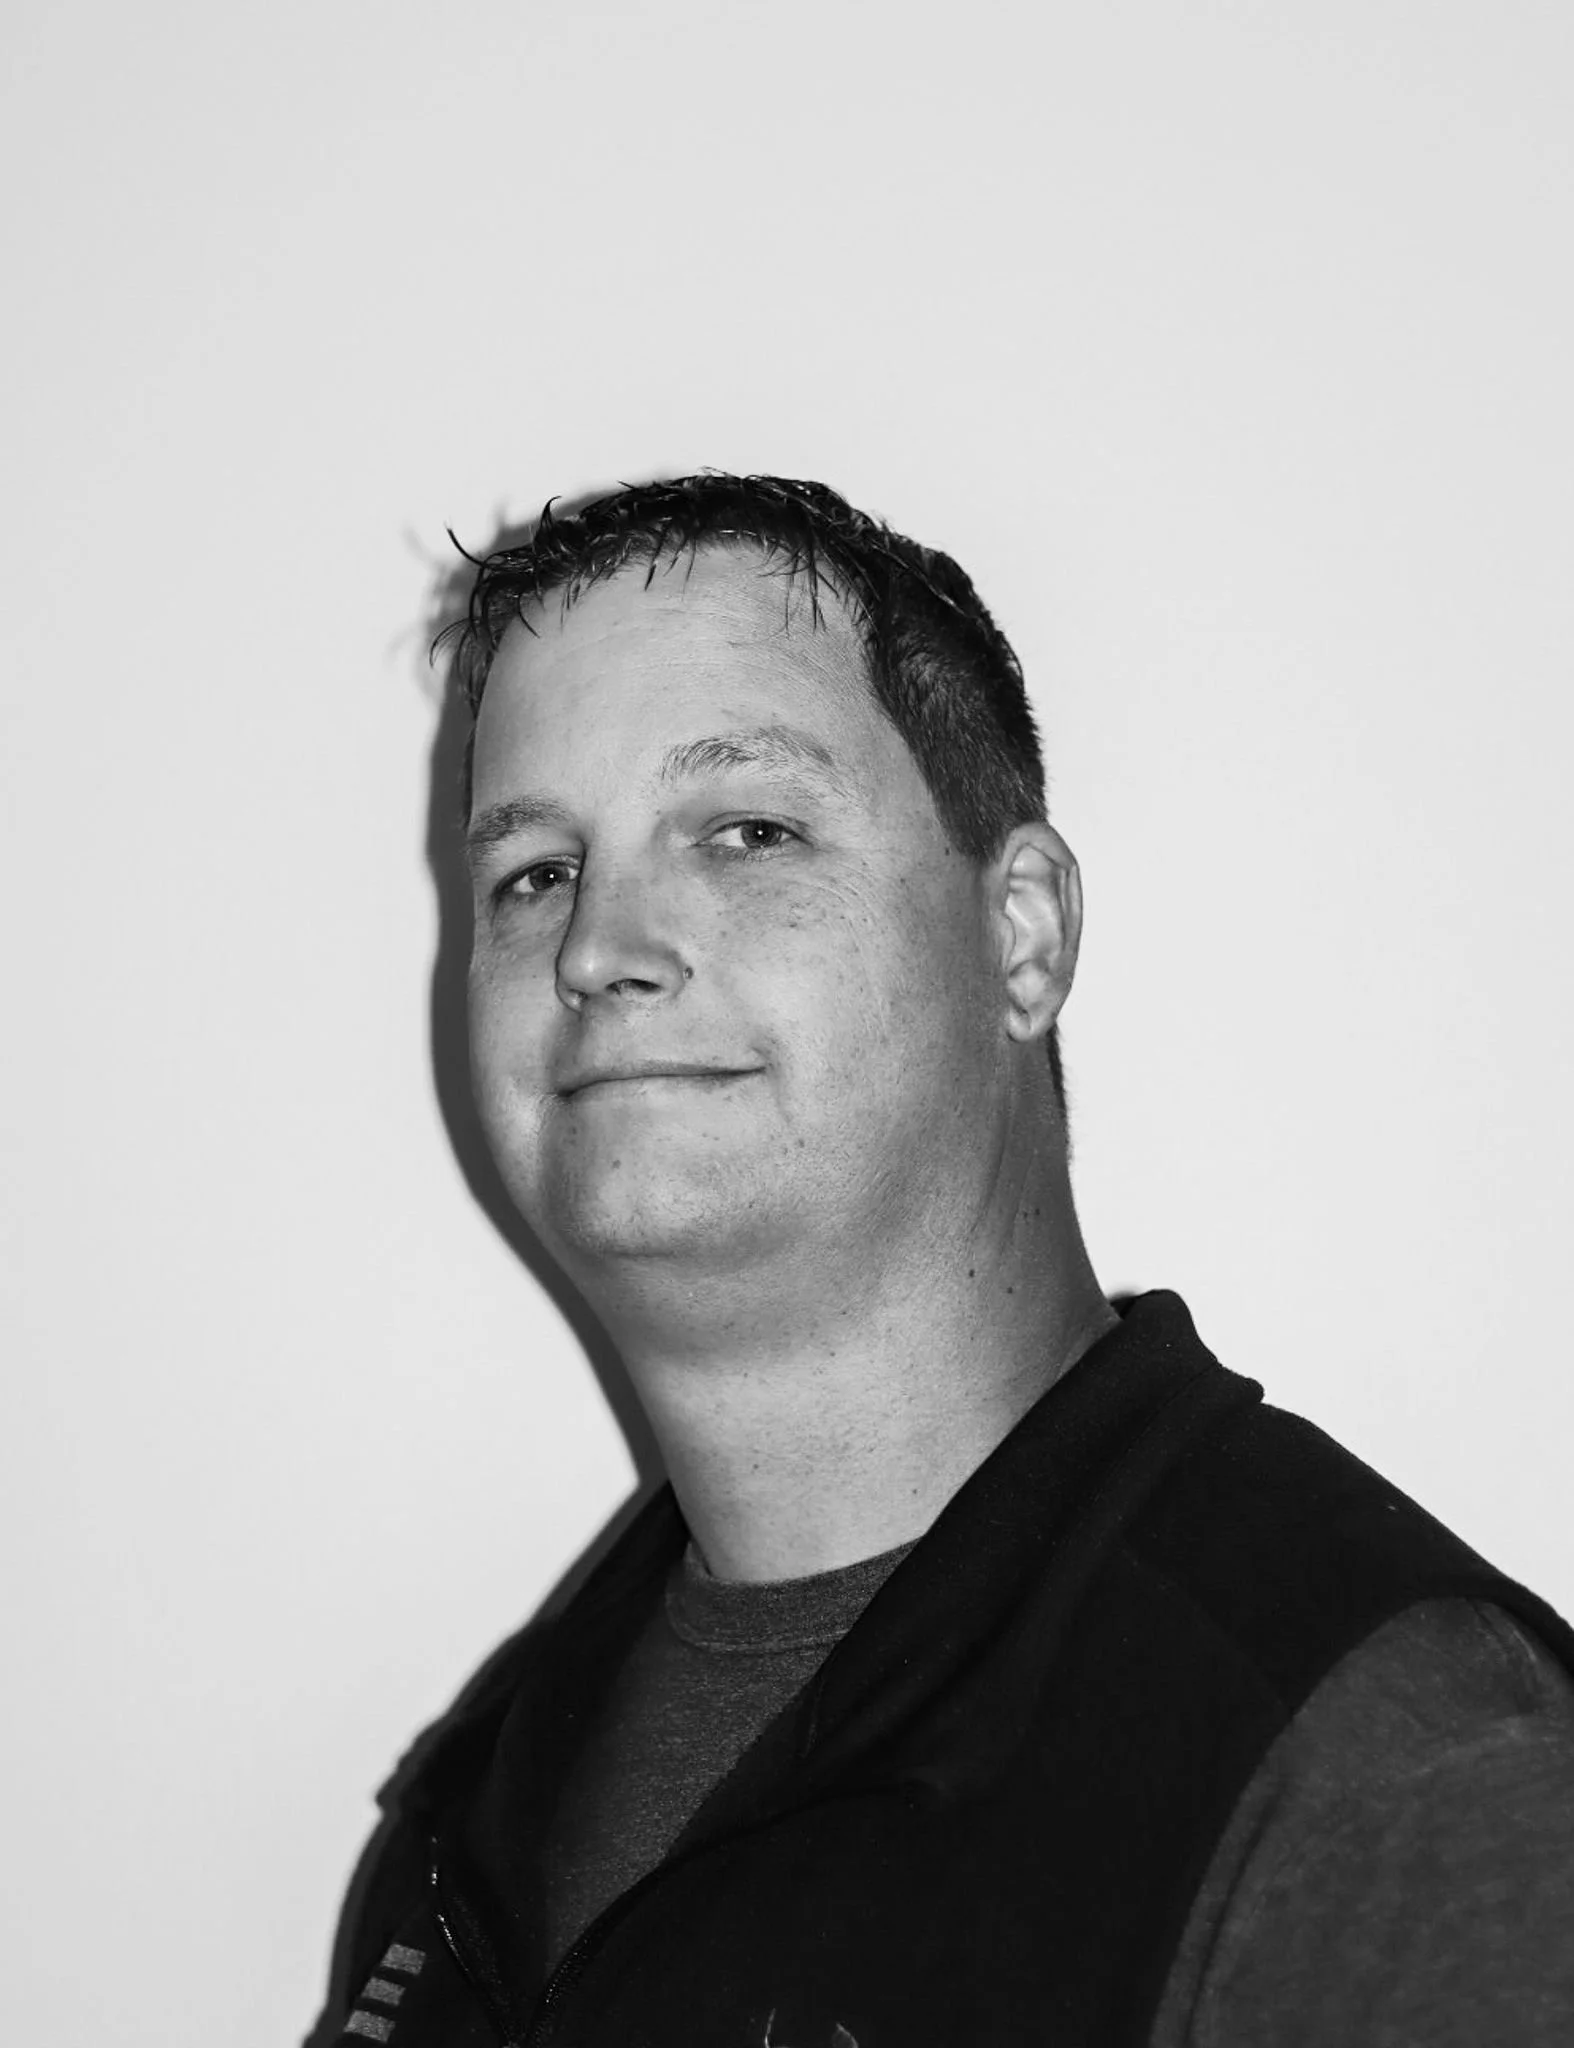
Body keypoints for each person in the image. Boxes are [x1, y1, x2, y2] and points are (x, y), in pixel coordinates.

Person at [311, 473, 1574, 2048]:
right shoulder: (479, 1801)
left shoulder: (1390, 1766)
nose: (597, 947)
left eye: (748, 829)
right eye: (534, 873)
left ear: (1022, 937)